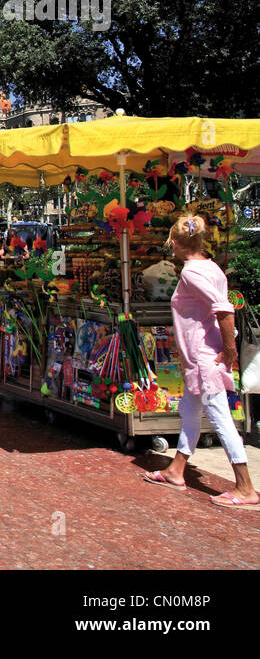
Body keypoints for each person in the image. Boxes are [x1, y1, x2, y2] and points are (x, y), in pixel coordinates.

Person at [142, 215, 257, 508]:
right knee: (190, 413)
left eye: (172, 243)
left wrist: (229, 350)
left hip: (205, 355)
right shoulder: (211, 267)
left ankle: (245, 487)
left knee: (220, 419)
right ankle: (176, 470)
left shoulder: (191, 273)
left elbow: (223, 309)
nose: (171, 248)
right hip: (200, 355)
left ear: (180, 244)